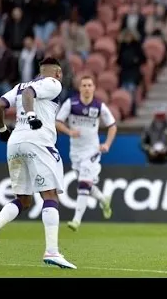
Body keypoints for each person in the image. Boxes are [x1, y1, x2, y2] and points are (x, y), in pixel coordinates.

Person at [0, 57, 76, 269]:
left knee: (24, 201)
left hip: (15, 143)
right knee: (49, 195)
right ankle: (52, 251)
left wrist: (2, 130)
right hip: (38, 141)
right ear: (57, 73)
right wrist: (32, 116)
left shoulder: (20, 85)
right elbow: (28, 95)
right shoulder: (53, 83)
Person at [55, 75, 117, 231]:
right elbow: (57, 122)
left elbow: (112, 125)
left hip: (92, 150)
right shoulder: (71, 103)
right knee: (86, 184)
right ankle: (103, 200)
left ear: (94, 88)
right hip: (75, 151)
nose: (87, 88)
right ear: (80, 88)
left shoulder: (99, 106)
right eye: (84, 85)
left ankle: (76, 220)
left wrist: (107, 144)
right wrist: (69, 132)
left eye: (90, 85)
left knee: (83, 183)